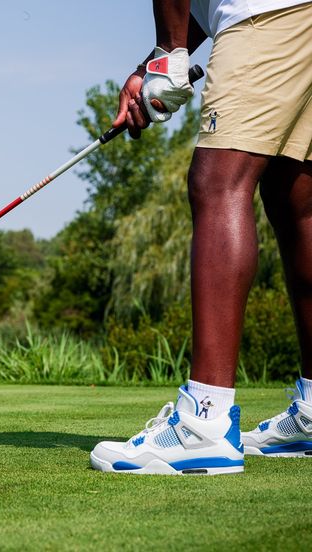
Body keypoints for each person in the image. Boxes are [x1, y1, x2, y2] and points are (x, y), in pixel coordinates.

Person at [90, 0, 312, 475]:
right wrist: (150, 64)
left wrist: (169, 54)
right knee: (296, 201)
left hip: (265, 15)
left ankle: (204, 425)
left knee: (218, 182)